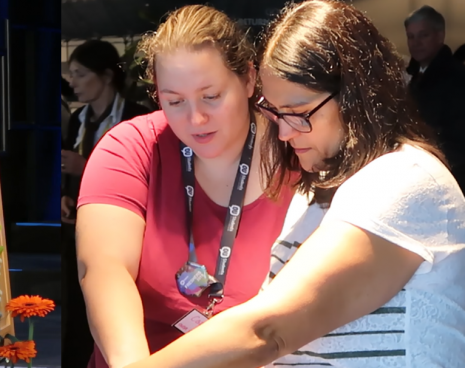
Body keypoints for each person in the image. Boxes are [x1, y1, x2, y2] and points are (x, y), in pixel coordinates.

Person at [117, 1, 465, 367]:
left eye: (299, 115)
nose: (283, 132)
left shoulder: (406, 180)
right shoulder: (314, 192)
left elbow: (266, 331)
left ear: (356, 94)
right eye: (276, 113)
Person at [75, 5, 295, 368]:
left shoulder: (295, 153)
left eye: (211, 96)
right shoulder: (132, 147)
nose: (195, 119)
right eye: (174, 101)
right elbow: (104, 267)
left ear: (249, 80)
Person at [61, 39, 152, 368]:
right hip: (76, 230)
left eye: (80, 74)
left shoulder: (138, 118)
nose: (72, 82)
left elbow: (142, 177)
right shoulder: (77, 119)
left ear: (105, 76)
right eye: (71, 74)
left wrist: (82, 166)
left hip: (124, 230)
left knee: (112, 303)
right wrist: (66, 195)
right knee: (76, 306)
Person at [404, 5, 465, 187]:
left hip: (447, 175)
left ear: (440, 36)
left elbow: (458, 137)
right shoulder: (415, 76)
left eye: (423, 35)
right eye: (411, 36)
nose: (416, 43)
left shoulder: (457, 78)